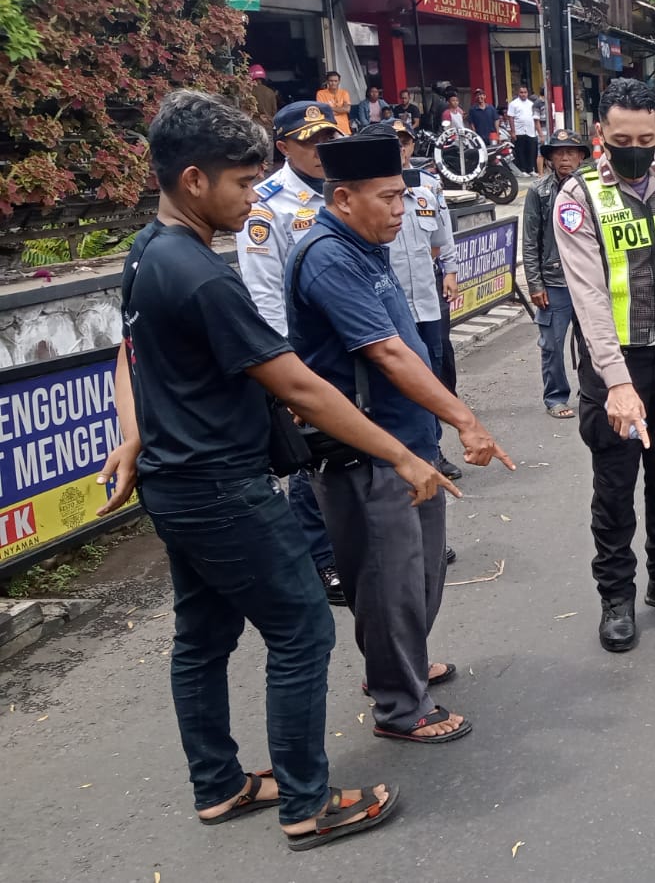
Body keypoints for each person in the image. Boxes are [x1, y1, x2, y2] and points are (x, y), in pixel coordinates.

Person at [102, 89, 432, 851]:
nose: (256, 195)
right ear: (193, 181)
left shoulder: (146, 251)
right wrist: (401, 452)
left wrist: (132, 434)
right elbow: (297, 386)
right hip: (223, 488)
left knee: (203, 636)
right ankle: (308, 804)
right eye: (243, 183)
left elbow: (131, 355)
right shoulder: (201, 276)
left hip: (174, 483)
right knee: (303, 628)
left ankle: (219, 785)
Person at [286, 128, 516, 743]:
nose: (400, 209)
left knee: (417, 575)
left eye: (403, 196)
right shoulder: (329, 257)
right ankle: (399, 704)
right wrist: (465, 419)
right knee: (388, 580)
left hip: (409, 444)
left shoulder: (366, 246)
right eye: (387, 197)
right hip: (369, 452)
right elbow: (387, 353)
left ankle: (400, 665)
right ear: (342, 199)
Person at [552, 78, 655, 653]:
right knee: (616, 488)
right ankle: (616, 597)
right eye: (622, 137)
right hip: (613, 367)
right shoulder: (577, 199)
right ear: (602, 133)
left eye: (646, 137)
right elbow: (590, 297)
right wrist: (617, 382)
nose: (635, 148)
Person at [236, 102, 347, 605]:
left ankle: (362, 540)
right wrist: (290, 370)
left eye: (326, 138)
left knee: (353, 445)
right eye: (309, 142)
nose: (321, 150)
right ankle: (321, 559)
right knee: (314, 459)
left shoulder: (340, 188)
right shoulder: (268, 205)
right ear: (283, 147)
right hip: (303, 356)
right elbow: (264, 295)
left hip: (346, 343)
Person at [373, 119, 465, 482]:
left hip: (427, 301)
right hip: (388, 305)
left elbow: (443, 236)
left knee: (434, 373)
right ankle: (397, 451)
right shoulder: (371, 192)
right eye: (392, 142)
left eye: (404, 141)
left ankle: (433, 449)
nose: (400, 148)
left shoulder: (428, 187)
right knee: (396, 378)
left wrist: (452, 271)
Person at [521, 128, 588, 420]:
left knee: (594, 341)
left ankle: (592, 392)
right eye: (558, 153)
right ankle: (555, 396)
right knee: (552, 344)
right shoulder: (539, 191)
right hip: (554, 281)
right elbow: (530, 240)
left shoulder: (592, 189)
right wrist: (535, 283)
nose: (565, 158)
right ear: (549, 158)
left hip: (587, 279)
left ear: (581, 157)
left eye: (570, 153)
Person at [508, 85, 540, 175]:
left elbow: (535, 118)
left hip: (530, 131)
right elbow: (511, 118)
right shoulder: (513, 104)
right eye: (521, 92)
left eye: (525, 92)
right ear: (518, 93)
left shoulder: (531, 104)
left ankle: (531, 170)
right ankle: (523, 170)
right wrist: (513, 132)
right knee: (520, 151)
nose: (523, 94)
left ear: (527, 93)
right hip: (519, 131)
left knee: (531, 151)